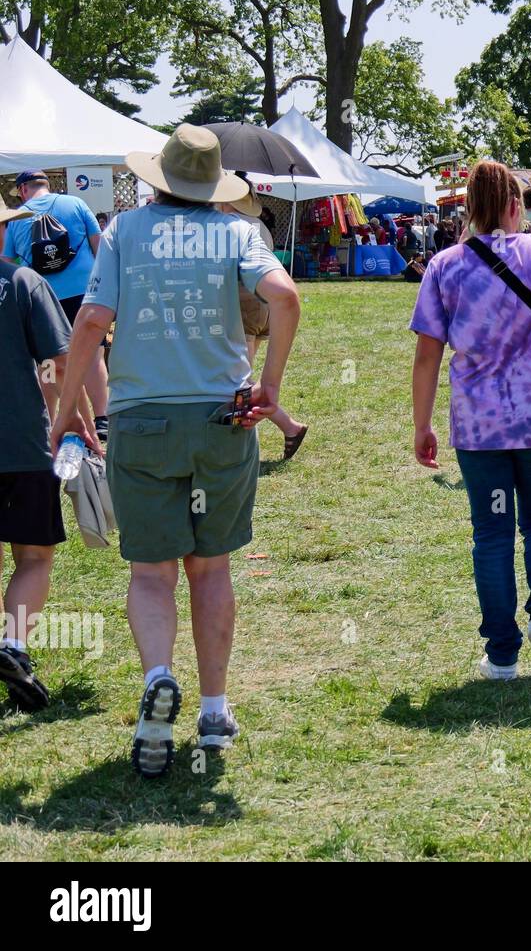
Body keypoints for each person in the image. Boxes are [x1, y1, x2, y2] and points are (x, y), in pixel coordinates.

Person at [50, 124, 302, 778]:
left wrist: (65, 411)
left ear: (158, 178)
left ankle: (158, 679)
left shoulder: (126, 232)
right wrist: (269, 387)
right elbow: (284, 296)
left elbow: (91, 322)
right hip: (223, 419)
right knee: (211, 569)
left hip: (141, 420)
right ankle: (214, 711)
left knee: (151, 573)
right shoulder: (239, 233)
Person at [411, 161, 531, 682]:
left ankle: (501, 654)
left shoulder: (446, 266)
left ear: (468, 207)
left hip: (479, 425)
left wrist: (421, 424)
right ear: (517, 205)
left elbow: (427, 355)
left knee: (490, 534)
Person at [0, 207, 98, 712]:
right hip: (21, 444)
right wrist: (76, 420)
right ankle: (13, 645)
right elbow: (58, 363)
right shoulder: (23, 281)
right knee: (33, 556)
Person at [3, 168, 111, 441]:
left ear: (24, 189)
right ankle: (102, 419)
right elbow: (99, 245)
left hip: (41, 295)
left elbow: (7, 260)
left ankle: (51, 419)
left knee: (47, 361)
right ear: (47, 185)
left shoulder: (19, 217)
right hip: (84, 291)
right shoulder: (76, 203)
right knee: (93, 355)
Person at [221, 192, 309, 461]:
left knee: (238, 380)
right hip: (264, 306)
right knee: (242, 378)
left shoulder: (230, 228)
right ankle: (286, 426)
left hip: (244, 304)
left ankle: (286, 426)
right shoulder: (257, 227)